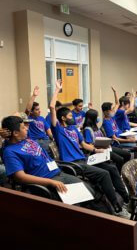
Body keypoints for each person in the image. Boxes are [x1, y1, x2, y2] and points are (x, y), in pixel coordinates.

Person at [49, 80, 130, 218]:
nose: (72, 118)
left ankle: (127, 199)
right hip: (74, 163)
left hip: (85, 158)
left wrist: (96, 150)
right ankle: (117, 208)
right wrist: (57, 90)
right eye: (69, 116)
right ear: (63, 118)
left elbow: (84, 145)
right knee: (104, 173)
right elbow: (52, 107)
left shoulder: (74, 129)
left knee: (112, 167)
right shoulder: (59, 130)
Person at [1, 115, 88, 201]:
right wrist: (50, 182)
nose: (27, 128)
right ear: (15, 133)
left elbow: (13, 131)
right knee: (77, 203)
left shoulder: (27, 139)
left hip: (58, 172)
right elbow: (20, 177)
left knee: (88, 191)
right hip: (47, 181)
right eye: (24, 127)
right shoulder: (10, 151)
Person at [82, 109, 131, 173]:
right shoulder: (88, 130)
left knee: (127, 154)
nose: (98, 118)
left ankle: (124, 172)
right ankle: (119, 174)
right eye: (97, 116)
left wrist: (107, 142)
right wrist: (99, 147)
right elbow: (89, 144)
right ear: (93, 118)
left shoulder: (96, 127)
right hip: (98, 150)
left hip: (106, 147)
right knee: (119, 159)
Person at [25, 86, 53, 155]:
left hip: (45, 139)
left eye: (39, 109)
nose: (39, 111)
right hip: (36, 141)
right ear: (31, 112)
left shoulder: (42, 118)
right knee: (48, 151)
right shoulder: (28, 118)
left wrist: (53, 138)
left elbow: (48, 130)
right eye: (37, 110)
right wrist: (33, 96)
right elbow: (28, 109)